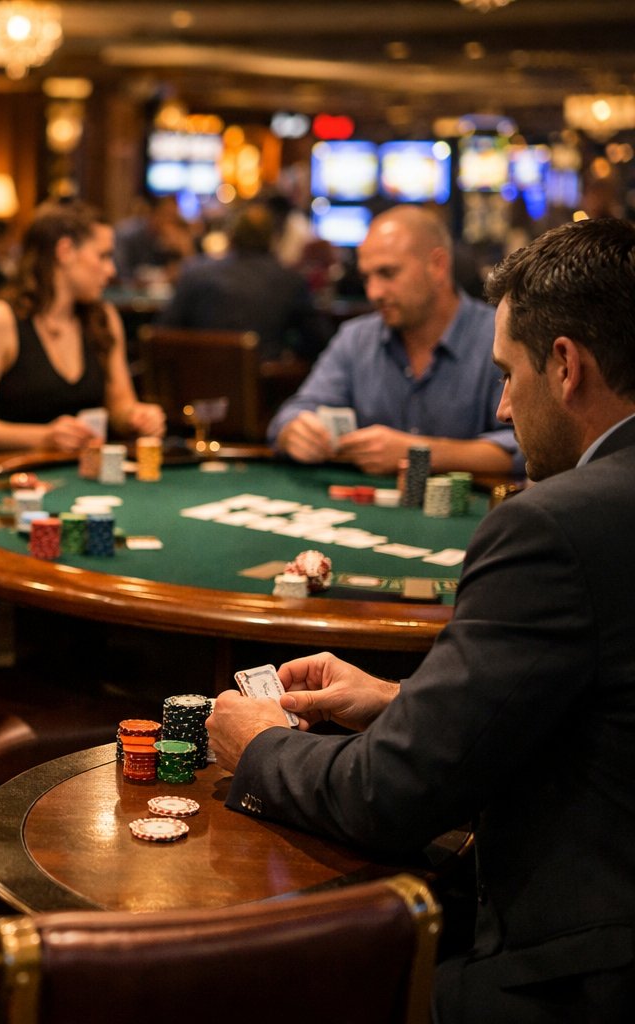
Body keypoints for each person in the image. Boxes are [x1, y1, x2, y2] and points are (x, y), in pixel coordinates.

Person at [206, 217, 635, 1022]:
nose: (503, 404)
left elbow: (388, 796)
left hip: (579, 969)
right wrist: (404, 701)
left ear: (568, 366)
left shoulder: (550, 525)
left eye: (508, 376)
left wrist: (259, 747)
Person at [266, 205, 519, 475]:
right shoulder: (356, 339)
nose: (374, 292)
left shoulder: (500, 336)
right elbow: (294, 413)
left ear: (437, 266)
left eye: (387, 274)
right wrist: (294, 431)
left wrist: (418, 453)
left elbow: (524, 450)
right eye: (366, 278)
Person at [0, 200, 165, 452]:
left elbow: (120, 404)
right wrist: (43, 437)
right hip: (8, 478)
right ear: (65, 251)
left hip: (81, 475)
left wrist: (136, 416)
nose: (110, 269)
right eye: (103, 256)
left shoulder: (103, 317)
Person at [157, 202, 332, 361]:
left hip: (192, 387)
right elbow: (317, 342)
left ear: (231, 236)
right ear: (272, 239)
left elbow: (163, 334)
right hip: (264, 390)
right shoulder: (291, 280)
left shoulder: (194, 273)